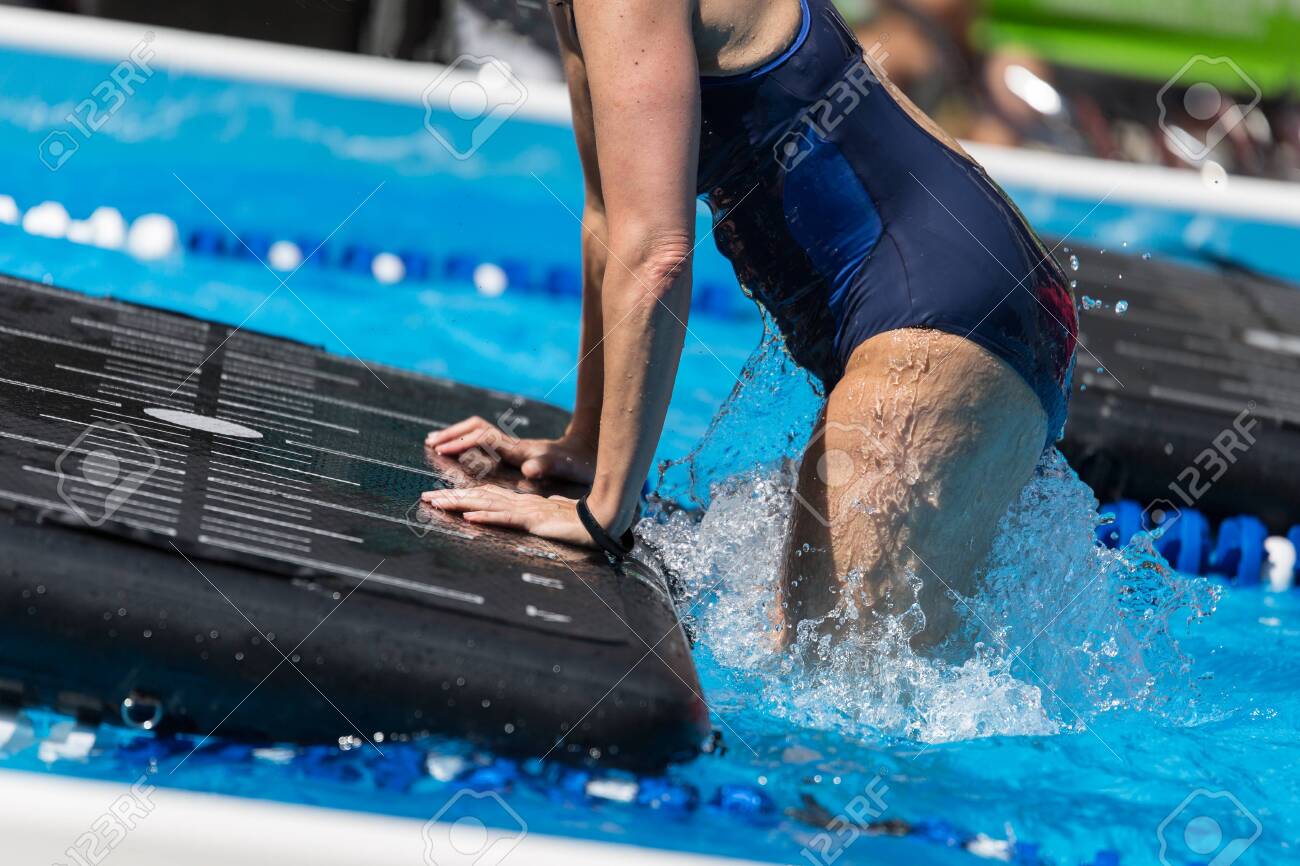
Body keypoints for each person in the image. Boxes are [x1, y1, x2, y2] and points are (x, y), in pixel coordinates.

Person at [423, 0, 1076, 649]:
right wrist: (585, 447)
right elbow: (609, 222)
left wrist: (604, 514)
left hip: (943, 311)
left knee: (839, 699)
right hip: (957, 292)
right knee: (819, 663)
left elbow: (655, 255)